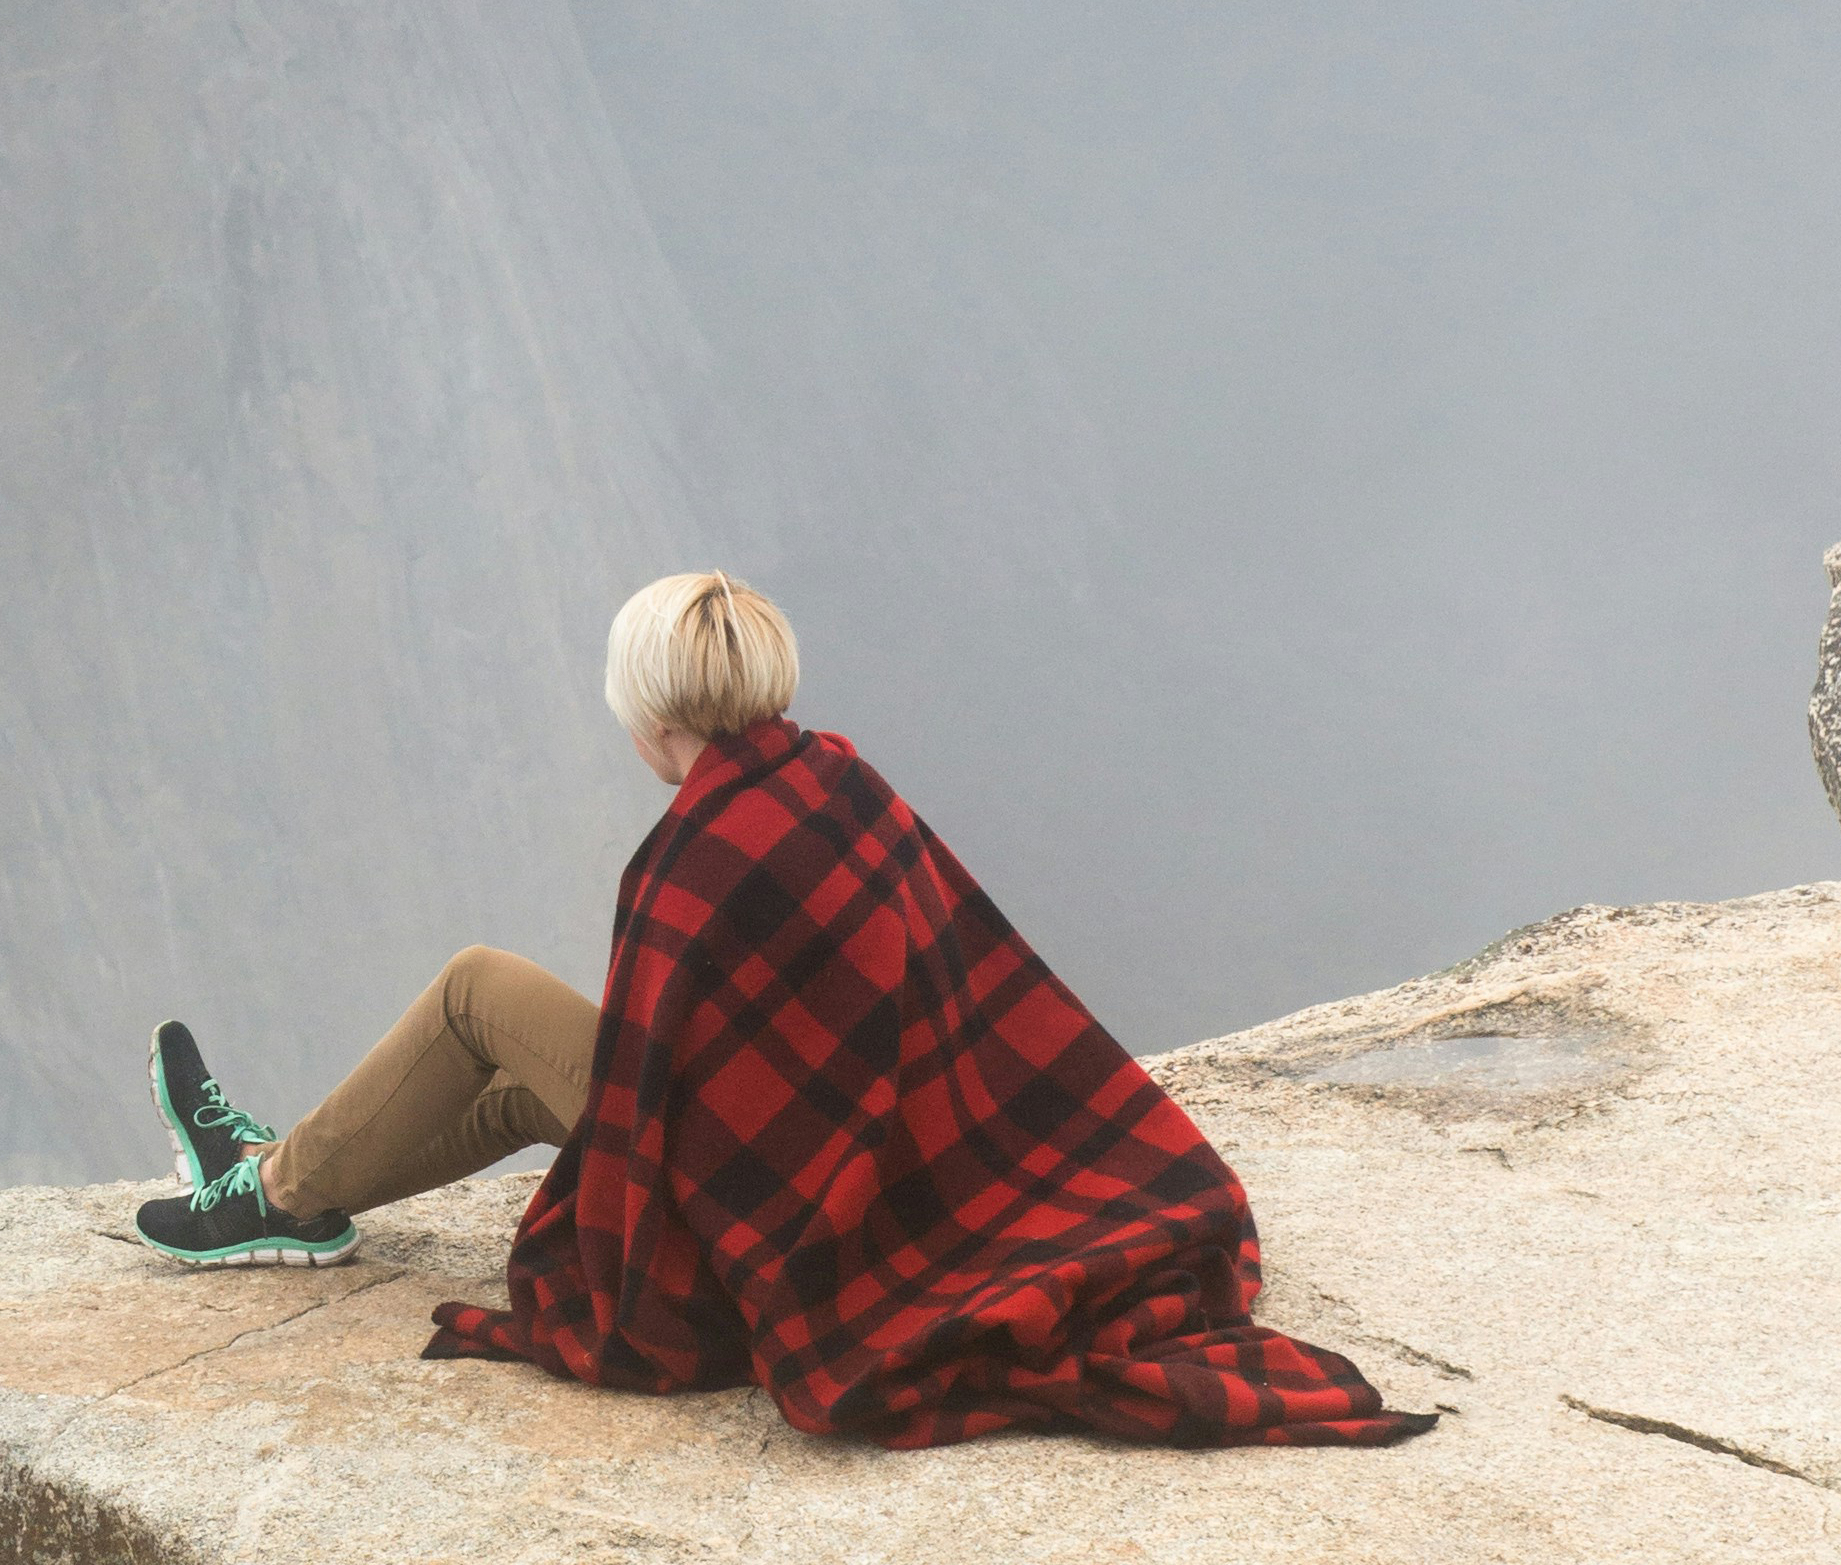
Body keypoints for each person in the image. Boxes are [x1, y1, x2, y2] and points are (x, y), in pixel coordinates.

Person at [135, 569, 1431, 1451]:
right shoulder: (835, 781)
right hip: (860, 1156)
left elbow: (647, 1091)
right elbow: (965, 976)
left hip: (775, 1197)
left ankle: (271, 1193)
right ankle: (284, 1188)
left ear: (644, 708)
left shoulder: (694, 853)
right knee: (534, 1081)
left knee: (480, 989)